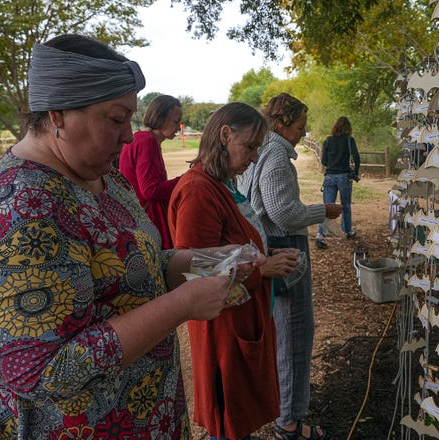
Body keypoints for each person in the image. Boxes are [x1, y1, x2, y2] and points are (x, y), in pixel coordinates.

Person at [0, 34, 255, 439]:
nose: (129, 136)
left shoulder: (101, 175)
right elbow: (42, 371)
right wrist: (184, 304)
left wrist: (208, 260)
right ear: (58, 114)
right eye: (116, 118)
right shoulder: (23, 207)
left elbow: (135, 262)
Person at [168, 102, 301, 440]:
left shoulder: (223, 185)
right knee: (227, 421)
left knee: (237, 421)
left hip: (241, 322)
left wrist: (268, 254)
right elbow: (194, 272)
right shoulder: (198, 191)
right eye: (251, 146)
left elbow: (234, 246)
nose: (255, 157)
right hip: (223, 333)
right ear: (225, 135)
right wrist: (263, 269)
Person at [238, 93, 341, 440]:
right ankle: (290, 422)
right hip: (285, 247)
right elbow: (284, 213)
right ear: (282, 123)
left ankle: (284, 412)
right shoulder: (277, 155)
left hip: (269, 246)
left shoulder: (259, 150)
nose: (302, 132)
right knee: (296, 334)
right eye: (299, 126)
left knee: (285, 333)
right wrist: (321, 211)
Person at [119, 94, 183, 249]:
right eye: (175, 121)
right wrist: (185, 180)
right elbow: (150, 190)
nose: (178, 127)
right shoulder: (147, 142)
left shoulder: (145, 140)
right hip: (149, 220)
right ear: (160, 118)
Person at [314, 116, 361, 249]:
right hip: (345, 177)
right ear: (348, 128)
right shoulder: (349, 141)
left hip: (329, 176)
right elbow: (357, 158)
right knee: (345, 205)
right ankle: (348, 231)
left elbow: (324, 161)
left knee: (327, 207)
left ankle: (320, 235)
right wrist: (355, 173)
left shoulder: (328, 141)